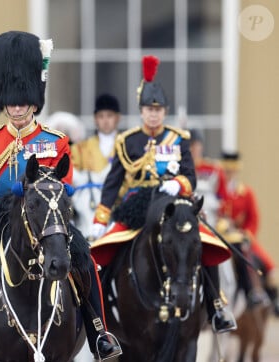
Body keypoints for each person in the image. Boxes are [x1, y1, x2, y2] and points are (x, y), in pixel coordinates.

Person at [0, 31, 121, 362]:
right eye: (11, 104)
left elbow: (65, 184)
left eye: (22, 103)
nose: (17, 109)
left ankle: (99, 332)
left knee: (84, 260)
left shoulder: (55, 141)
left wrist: (39, 195)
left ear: (34, 103)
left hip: (45, 217)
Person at [88, 55, 236, 333]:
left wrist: (179, 184)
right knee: (102, 252)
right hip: (137, 205)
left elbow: (191, 176)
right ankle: (101, 317)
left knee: (204, 241)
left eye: (158, 109)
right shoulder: (128, 140)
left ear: (164, 111)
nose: (153, 114)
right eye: (148, 109)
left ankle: (216, 307)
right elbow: (112, 184)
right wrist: (99, 219)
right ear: (141, 111)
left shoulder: (178, 138)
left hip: (173, 203)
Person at [218, 152, 279, 312]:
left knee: (259, 261)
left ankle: (255, 292)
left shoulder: (246, 193)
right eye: (226, 171)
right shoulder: (218, 192)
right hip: (219, 235)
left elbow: (253, 218)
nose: (229, 174)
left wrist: (247, 234)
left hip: (240, 237)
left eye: (231, 171)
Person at [70, 94, 121, 236]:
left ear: (117, 118)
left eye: (109, 116)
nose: (105, 121)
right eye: (101, 116)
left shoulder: (126, 145)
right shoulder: (80, 148)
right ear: (95, 119)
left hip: (118, 204)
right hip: (87, 206)